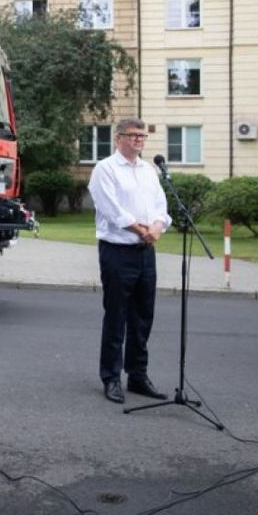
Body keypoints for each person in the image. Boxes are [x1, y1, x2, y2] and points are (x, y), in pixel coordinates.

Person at [87, 118, 172, 404]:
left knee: (143, 316)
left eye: (143, 136)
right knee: (117, 315)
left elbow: (161, 206)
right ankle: (111, 377)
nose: (139, 140)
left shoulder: (149, 170)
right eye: (133, 135)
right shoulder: (105, 169)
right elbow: (111, 208)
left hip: (146, 252)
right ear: (118, 138)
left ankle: (137, 375)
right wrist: (140, 229)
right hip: (118, 251)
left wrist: (157, 227)